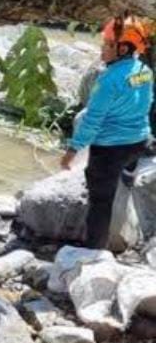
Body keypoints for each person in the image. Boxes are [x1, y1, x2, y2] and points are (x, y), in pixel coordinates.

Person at [61, 16, 153, 250]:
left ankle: (94, 251)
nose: (101, 49)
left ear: (122, 48)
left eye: (106, 44)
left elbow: (92, 120)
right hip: (141, 140)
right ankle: (129, 172)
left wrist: (72, 150)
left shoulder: (108, 79)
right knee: (129, 158)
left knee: (100, 202)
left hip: (111, 149)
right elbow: (146, 102)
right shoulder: (144, 70)